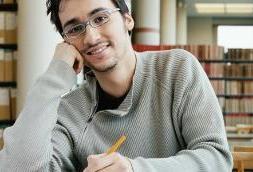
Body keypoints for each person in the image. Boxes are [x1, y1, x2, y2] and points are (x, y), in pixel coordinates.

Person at [0, 0, 232, 171]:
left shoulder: (177, 69)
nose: (90, 37)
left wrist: (134, 169)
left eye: (100, 18)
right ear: (66, 42)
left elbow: (217, 159)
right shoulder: (69, 111)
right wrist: (53, 77)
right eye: (74, 28)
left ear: (127, 19)